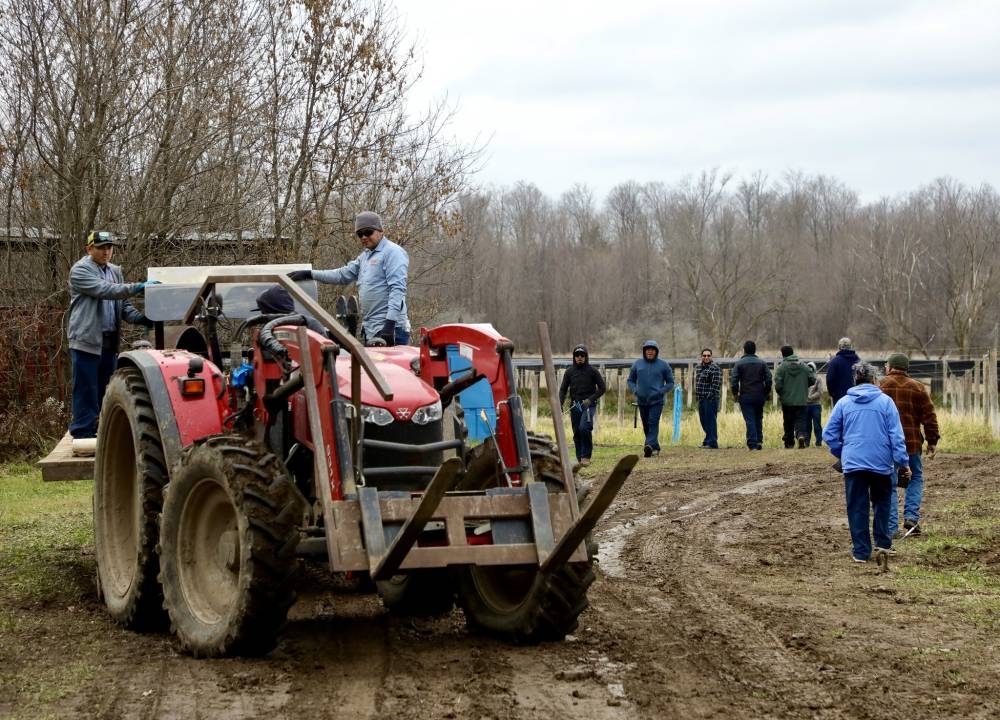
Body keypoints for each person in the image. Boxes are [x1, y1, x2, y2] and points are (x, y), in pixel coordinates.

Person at [68, 230, 155, 439]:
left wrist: (141, 318)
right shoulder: (80, 271)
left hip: (109, 340)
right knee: (86, 389)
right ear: (89, 249)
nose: (106, 251)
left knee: (106, 389)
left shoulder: (115, 271)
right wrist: (138, 287)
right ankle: (82, 433)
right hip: (86, 339)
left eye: (109, 247)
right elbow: (105, 290)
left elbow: (122, 305)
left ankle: (102, 431)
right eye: (100, 247)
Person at [823, 362, 911, 563]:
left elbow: (828, 434)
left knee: (857, 507)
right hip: (881, 464)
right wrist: (903, 462)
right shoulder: (886, 403)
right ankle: (882, 544)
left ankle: (861, 551)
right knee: (882, 504)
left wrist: (842, 452)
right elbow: (896, 437)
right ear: (874, 379)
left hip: (853, 464)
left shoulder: (844, 403)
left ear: (855, 380)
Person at [289, 211, 410, 346]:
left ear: (380, 231)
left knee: (388, 368)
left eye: (368, 232)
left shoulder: (393, 252)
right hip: (371, 330)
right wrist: (310, 274)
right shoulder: (365, 257)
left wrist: (390, 325)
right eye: (359, 234)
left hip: (390, 330)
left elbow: (397, 289)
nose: (363, 237)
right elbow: (342, 275)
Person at [880, 353, 940, 538]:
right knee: (915, 478)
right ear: (906, 368)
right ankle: (911, 518)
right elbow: (929, 417)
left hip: (886, 445)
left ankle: (891, 528)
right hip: (911, 443)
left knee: (888, 484)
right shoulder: (918, 388)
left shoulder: (880, 386)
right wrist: (932, 441)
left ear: (889, 367)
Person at [558, 344, 606, 466]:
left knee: (584, 428)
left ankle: (586, 456)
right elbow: (563, 389)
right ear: (574, 357)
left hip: (588, 405)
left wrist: (590, 399)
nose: (579, 357)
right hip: (575, 406)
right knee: (577, 432)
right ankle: (579, 458)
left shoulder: (593, 371)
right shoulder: (569, 372)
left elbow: (602, 388)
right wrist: (560, 404)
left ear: (586, 357)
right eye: (577, 355)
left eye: (582, 355)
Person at [627, 339, 675, 458]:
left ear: (656, 351)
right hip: (642, 400)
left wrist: (660, 392)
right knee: (646, 425)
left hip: (657, 400)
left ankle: (648, 445)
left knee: (653, 422)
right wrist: (635, 390)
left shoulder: (663, 365)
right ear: (644, 351)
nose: (650, 352)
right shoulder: (637, 364)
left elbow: (670, 382)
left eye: (652, 350)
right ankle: (655, 447)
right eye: (647, 350)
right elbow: (630, 380)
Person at [730, 340, 772, 450]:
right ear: (755, 350)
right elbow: (768, 379)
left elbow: (734, 381)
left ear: (744, 350)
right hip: (759, 395)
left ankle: (752, 443)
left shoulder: (739, 364)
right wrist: (766, 392)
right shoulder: (762, 363)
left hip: (746, 395)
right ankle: (758, 441)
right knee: (758, 418)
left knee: (750, 419)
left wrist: (735, 394)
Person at [775, 345, 815, 449]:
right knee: (801, 420)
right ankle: (801, 435)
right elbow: (812, 379)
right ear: (793, 353)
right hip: (801, 400)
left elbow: (778, 385)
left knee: (788, 422)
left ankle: (789, 443)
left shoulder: (781, 367)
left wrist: (781, 393)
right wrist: (803, 386)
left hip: (787, 401)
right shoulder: (804, 366)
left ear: (783, 354)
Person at [254, 284, 327, 336]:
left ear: (270, 311)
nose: (262, 315)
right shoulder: (312, 323)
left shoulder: (267, 331)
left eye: (263, 311)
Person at [694, 348, 722, 449]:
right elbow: (697, 383)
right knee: (703, 421)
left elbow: (716, 384)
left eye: (708, 355)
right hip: (701, 398)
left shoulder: (715, 368)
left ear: (711, 356)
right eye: (704, 355)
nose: (706, 357)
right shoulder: (698, 368)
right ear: (701, 356)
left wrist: (709, 396)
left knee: (711, 421)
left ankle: (713, 442)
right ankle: (707, 440)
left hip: (710, 398)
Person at [825, 337, 860, 405]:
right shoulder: (858, 361)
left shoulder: (834, 362)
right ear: (850, 347)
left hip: (839, 398)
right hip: (856, 397)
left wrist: (832, 393)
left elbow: (830, 379)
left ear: (839, 347)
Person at [804, 361, 825, 447]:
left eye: (811, 367)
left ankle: (818, 443)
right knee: (807, 426)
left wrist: (809, 398)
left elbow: (820, 392)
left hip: (816, 405)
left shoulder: (818, 379)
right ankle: (806, 442)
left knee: (817, 425)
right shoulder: (804, 378)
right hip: (806, 406)